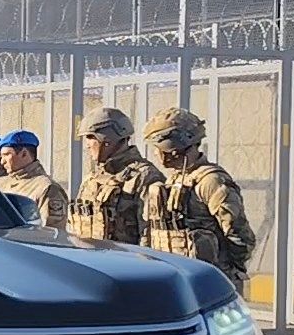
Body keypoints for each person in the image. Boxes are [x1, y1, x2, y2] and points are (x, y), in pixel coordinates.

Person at [141, 107, 257, 290]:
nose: (156, 153)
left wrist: (227, 272)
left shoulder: (210, 181)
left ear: (173, 147)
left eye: (157, 147)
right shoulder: (175, 179)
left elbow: (239, 235)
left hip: (208, 283)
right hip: (179, 279)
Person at [67, 107, 164, 244]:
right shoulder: (92, 178)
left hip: (125, 257)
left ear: (108, 139)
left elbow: (150, 236)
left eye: (91, 137)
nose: (87, 145)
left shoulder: (144, 177)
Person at [0, 130, 68, 230]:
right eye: (1, 156)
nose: (2, 162)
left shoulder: (46, 188)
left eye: (7, 155)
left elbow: (51, 231)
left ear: (24, 154)